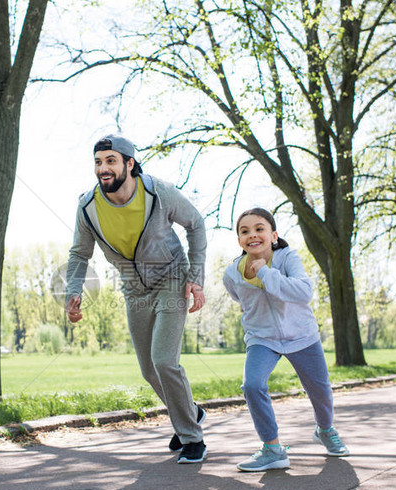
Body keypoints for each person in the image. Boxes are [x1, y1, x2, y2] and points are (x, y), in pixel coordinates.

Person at [65, 134, 208, 463]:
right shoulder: (88, 207)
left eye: (111, 161)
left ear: (130, 164)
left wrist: (195, 279)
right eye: (99, 162)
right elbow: (79, 254)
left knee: (164, 360)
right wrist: (74, 291)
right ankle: (192, 412)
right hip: (133, 287)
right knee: (149, 370)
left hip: (172, 278)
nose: (104, 168)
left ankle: (191, 438)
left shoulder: (158, 192)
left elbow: (196, 224)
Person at [222, 207, 350, 472]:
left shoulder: (288, 257)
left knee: (320, 390)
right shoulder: (232, 273)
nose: (252, 235)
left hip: (302, 335)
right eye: (244, 231)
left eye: (259, 229)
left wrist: (266, 274)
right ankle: (272, 449)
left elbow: (304, 293)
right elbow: (240, 299)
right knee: (252, 385)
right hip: (262, 338)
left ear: (273, 235)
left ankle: (325, 430)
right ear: (239, 241)